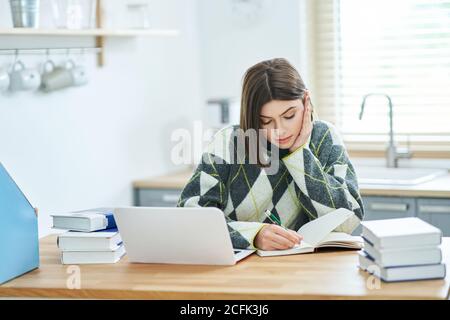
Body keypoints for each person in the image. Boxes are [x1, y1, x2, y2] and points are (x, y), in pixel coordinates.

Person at [177, 58, 364, 251]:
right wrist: (252, 235)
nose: (279, 130)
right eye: (265, 121)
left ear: (306, 101)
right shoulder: (228, 141)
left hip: (311, 271)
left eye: (289, 116)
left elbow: (348, 221)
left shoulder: (324, 136)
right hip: (240, 272)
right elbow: (190, 217)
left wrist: (300, 155)